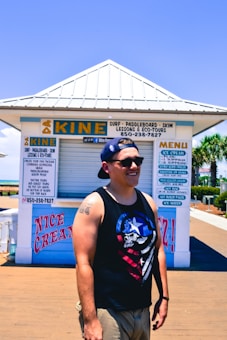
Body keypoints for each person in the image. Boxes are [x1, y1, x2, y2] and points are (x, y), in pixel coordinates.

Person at [72, 137, 169, 340]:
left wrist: (164, 297)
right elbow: (83, 264)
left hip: (142, 310)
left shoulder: (148, 203)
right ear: (106, 167)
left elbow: (157, 251)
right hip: (108, 311)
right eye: (125, 162)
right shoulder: (94, 205)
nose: (134, 166)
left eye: (138, 160)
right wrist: (90, 320)